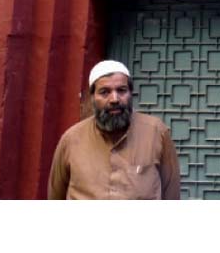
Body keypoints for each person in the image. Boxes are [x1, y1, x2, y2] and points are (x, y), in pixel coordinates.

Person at [47, 60, 181, 199]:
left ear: (131, 93)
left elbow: (171, 193)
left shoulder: (156, 133)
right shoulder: (71, 139)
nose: (114, 99)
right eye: (105, 92)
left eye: (121, 90)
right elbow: (56, 196)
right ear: (92, 97)